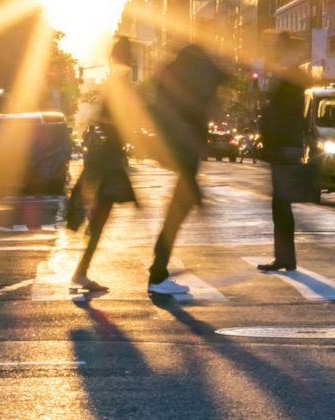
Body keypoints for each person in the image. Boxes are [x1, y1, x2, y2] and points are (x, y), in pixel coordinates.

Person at [145, 44, 230, 295]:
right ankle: (158, 273)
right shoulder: (189, 81)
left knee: (177, 209)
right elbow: (182, 116)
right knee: (177, 211)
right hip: (185, 152)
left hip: (182, 151)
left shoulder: (176, 76)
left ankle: (158, 270)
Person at [66, 37, 138, 293]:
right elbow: (115, 121)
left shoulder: (117, 83)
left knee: (99, 215)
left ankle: (81, 270)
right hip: (108, 161)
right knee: (100, 215)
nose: (132, 57)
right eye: (128, 53)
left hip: (108, 160)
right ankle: (81, 272)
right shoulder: (119, 84)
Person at [255, 30, 311, 272]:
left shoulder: (292, 77)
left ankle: (286, 257)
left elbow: (290, 115)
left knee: (282, 203)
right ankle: (284, 256)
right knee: (281, 204)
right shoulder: (287, 75)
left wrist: (289, 144)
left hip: (284, 147)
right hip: (282, 146)